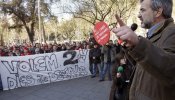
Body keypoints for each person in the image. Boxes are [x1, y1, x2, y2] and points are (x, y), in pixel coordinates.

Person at [112, 0, 175, 100]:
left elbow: (171, 69)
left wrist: (138, 43)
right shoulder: (153, 35)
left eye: (143, 10)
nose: (138, 15)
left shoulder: (172, 32)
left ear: (158, 12)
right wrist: (131, 45)